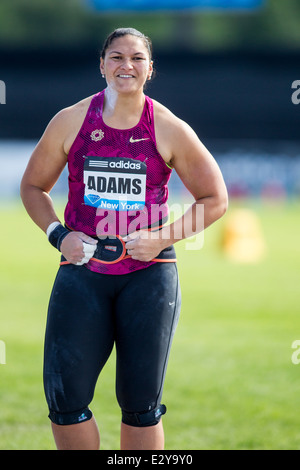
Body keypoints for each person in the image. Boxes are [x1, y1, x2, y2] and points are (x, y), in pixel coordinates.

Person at [20, 27, 228, 451]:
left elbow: (215, 199)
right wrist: (59, 236)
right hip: (82, 272)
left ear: (150, 69)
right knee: (65, 400)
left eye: (136, 58)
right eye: (116, 57)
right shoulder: (72, 120)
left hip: (149, 276)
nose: (126, 66)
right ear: (102, 65)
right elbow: (32, 187)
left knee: (140, 404)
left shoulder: (168, 127)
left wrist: (160, 238)